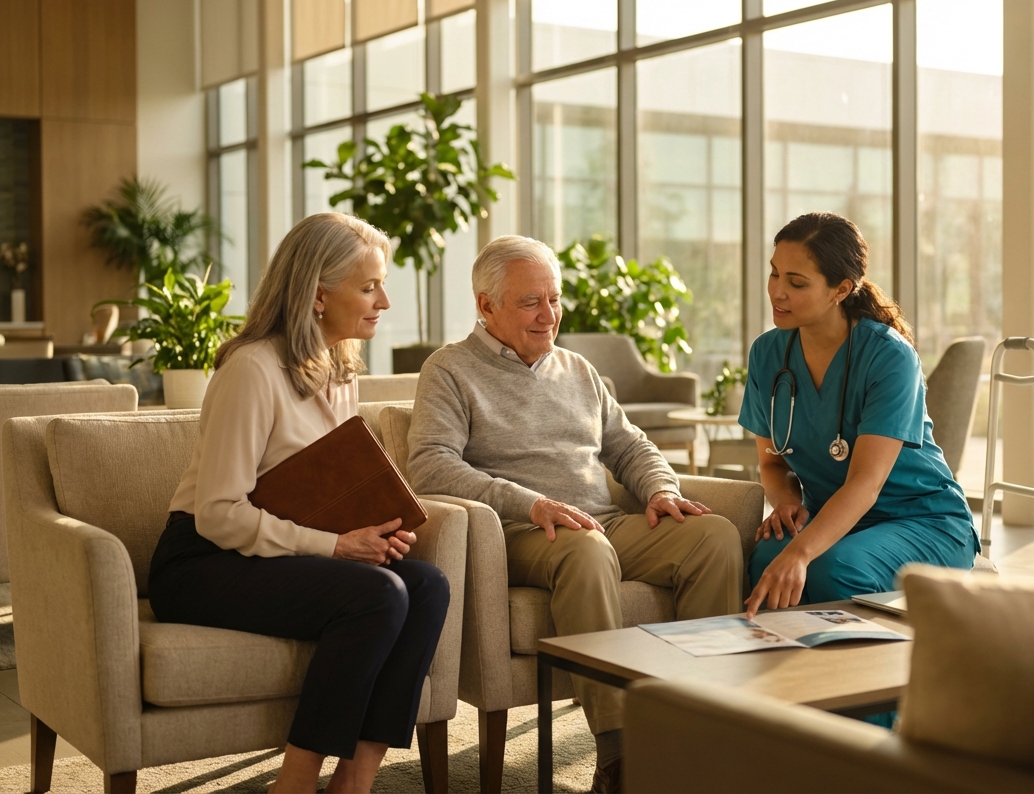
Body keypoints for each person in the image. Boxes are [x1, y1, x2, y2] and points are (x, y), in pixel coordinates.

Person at [406, 235, 743, 794]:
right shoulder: (449, 370)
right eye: (531, 302)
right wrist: (530, 503)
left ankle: (699, 730)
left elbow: (631, 447)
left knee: (712, 537)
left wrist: (659, 489)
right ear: (486, 306)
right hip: (519, 531)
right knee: (586, 550)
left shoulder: (579, 371)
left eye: (555, 299)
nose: (549, 315)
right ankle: (618, 757)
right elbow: (430, 469)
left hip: (598, 522)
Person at [148, 213, 450, 794]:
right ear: (317, 295)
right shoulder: (252, 369)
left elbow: (325, 485)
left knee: (428, 584)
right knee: (378, 594)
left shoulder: (339, 370)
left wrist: (372, 531)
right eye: (368, 287)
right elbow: (216, 514)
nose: (383, 300)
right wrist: (337, 546)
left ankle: (355, 781)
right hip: (201, 562)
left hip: (278, 554)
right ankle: (294, 782)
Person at [740, 212, 979, 621]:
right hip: (835, 518)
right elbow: (771, 462)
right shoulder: (768, 355)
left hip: (922, 519)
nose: (777, 292)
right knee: (766, 558)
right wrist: (784, 503)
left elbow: (865, 485)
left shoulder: (888, 357)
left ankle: (872, 681)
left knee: (837, 569)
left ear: (841, 289)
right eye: (774, 274)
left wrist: (801, 552)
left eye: (796, 283)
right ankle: (789, 677)